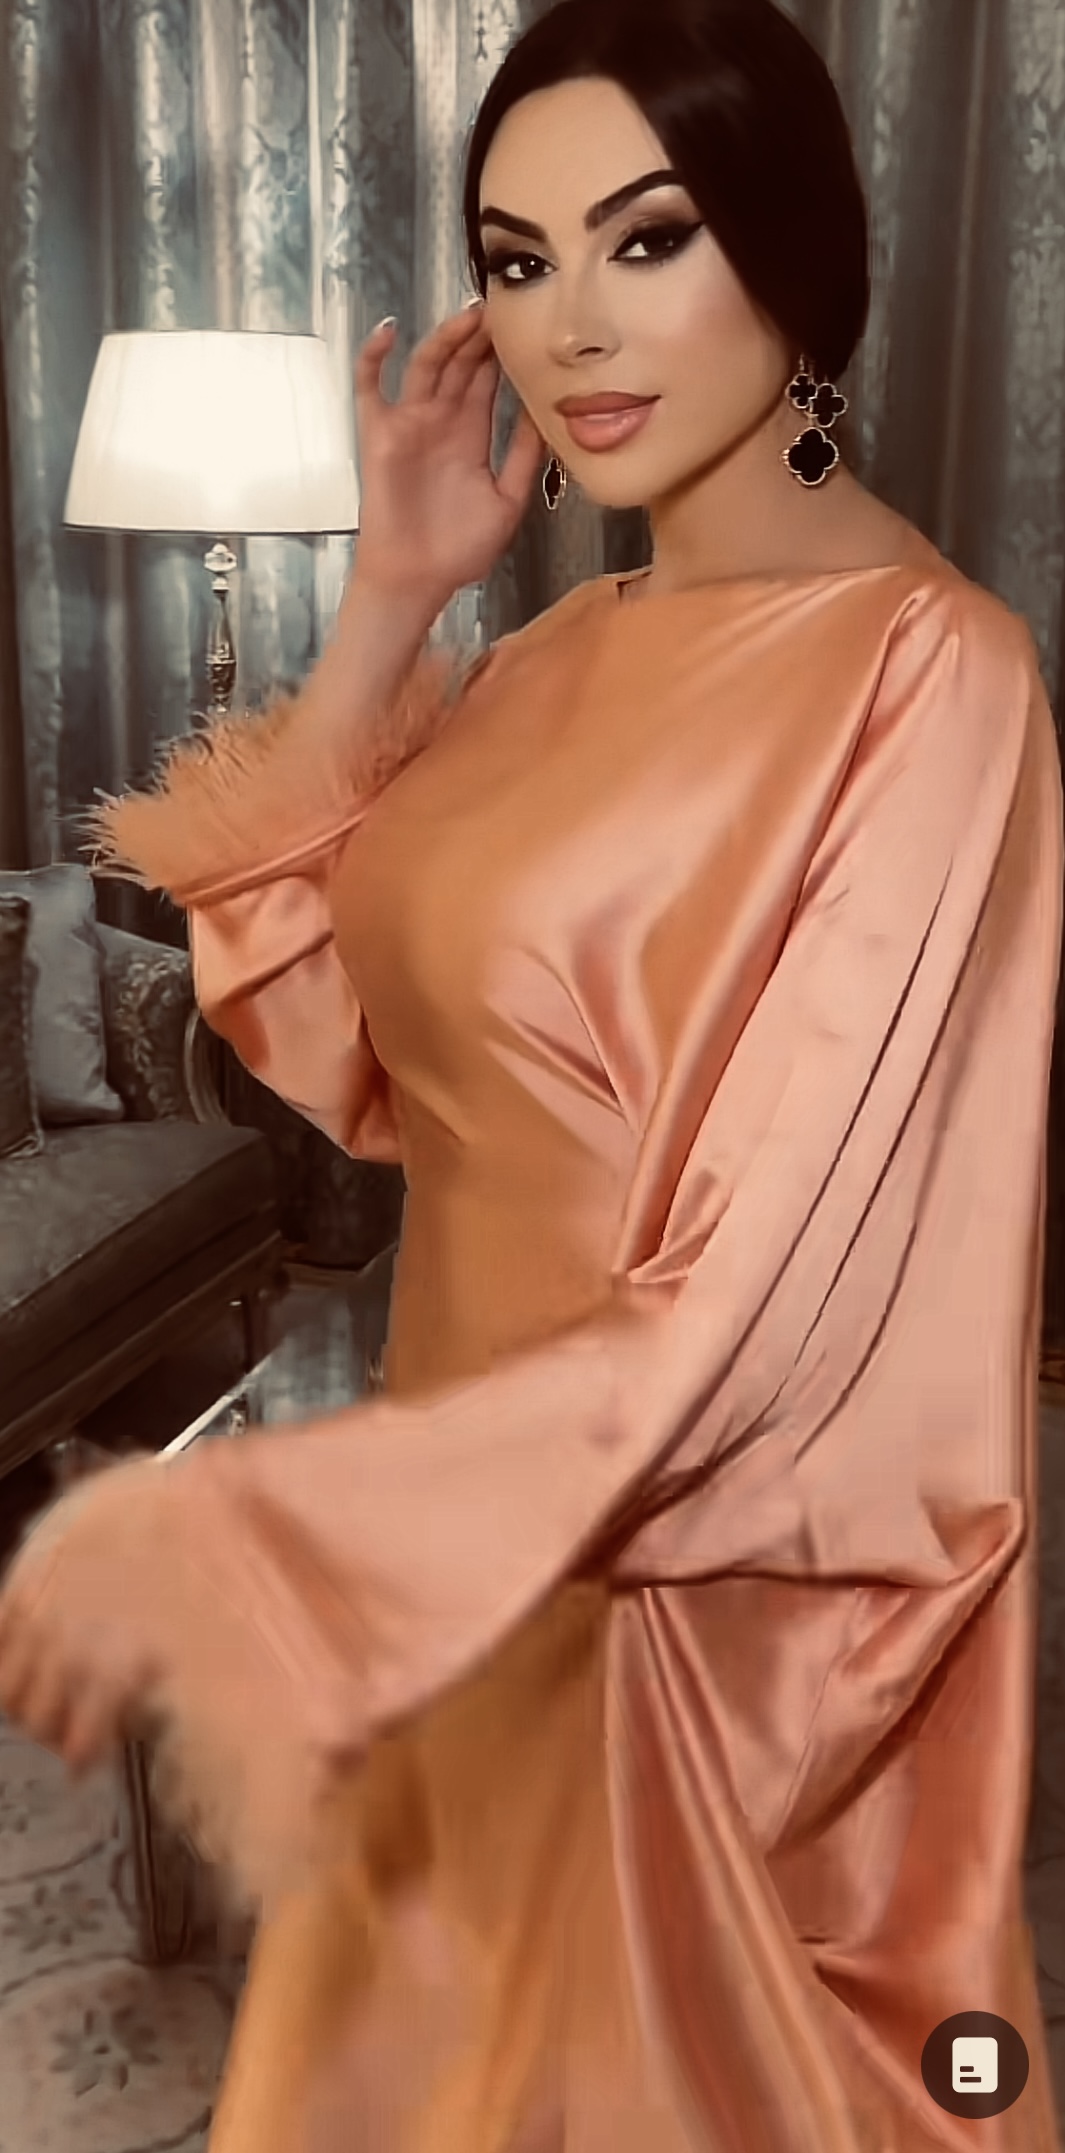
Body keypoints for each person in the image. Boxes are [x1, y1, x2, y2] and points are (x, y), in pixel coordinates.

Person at [0, 0, 1061, 2145]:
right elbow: (326, 1033)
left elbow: (765, 1301)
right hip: (457, 1548)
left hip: (685, 1620)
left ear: (794, 253)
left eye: (645, 239)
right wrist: (391, 601)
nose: (570, 323)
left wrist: (274, 1534)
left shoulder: (932, 678)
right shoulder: (550, 653)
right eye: (515, 257)